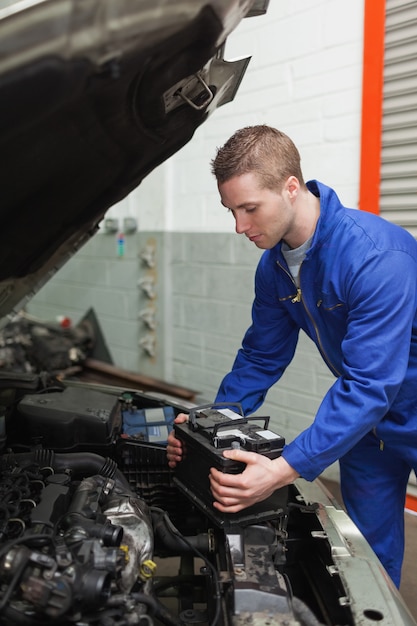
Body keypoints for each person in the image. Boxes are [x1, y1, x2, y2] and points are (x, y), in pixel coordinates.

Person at [166, 124, 417, 588]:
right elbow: (261, 357)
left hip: (396, 404)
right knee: (368, 555)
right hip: (365, 424)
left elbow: (370, 384)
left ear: (291, 187)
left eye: (249, 209)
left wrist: (284, 468)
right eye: (231, 211)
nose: (240, 227)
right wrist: (206, 422)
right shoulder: (275, 267)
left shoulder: (375, 257)